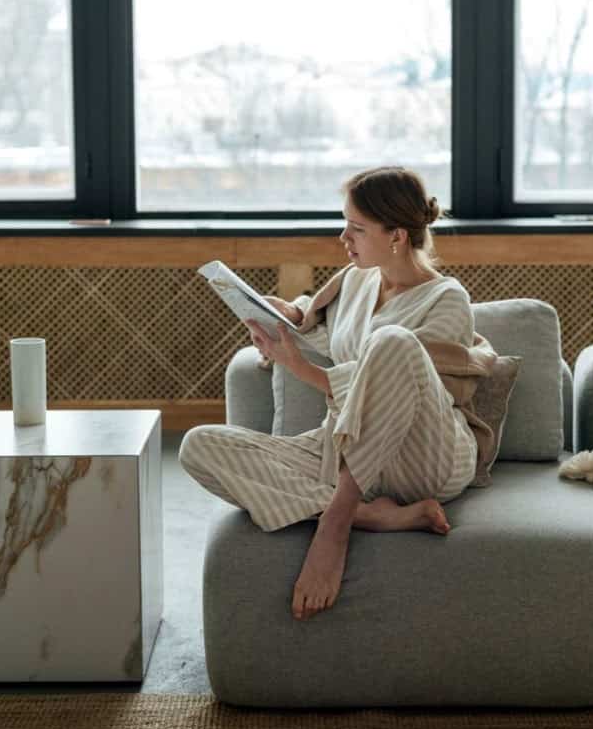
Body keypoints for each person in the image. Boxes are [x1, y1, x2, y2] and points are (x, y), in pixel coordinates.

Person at [179, 166, 479, 621]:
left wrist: (298, 367)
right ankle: (374, 515)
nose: (344, 237)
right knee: (199, 445)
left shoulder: (447, 299)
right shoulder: (357, 281)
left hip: (422, 454)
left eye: (356, 228)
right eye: (345, 224)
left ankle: (337, 521)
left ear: (396, 235)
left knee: (392, 342)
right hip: (341, 447)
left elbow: (397, 382)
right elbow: (319, 327)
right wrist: (285, 317)